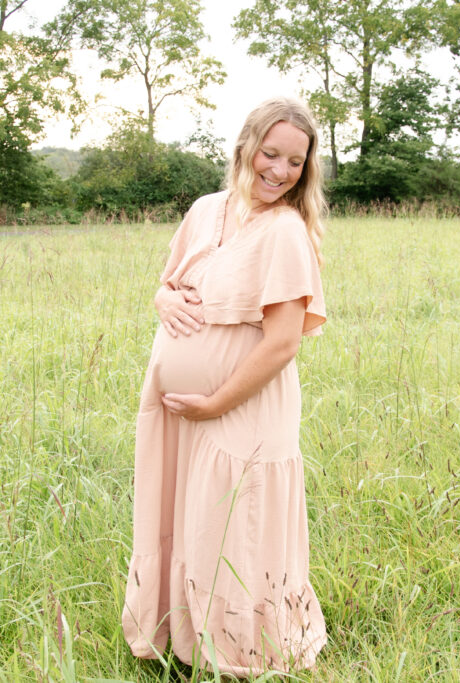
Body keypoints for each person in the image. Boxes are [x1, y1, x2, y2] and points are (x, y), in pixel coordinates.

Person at [121, 97, 329, 677]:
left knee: (234, 523)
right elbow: (167, 284)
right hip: (175, 408)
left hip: (242, 407)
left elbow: (284, 342)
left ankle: (244, 646)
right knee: (184, 514)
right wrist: (162, 297)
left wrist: (214, 402)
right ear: (245, 147)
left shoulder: (285, 231)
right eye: (271, 153)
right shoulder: (205, 209)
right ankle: (179, 635)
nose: (280, 171)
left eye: (295, 161)